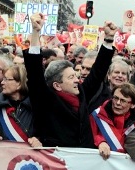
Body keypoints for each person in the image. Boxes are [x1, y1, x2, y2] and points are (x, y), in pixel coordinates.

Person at [23, 12, 117, 147]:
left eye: (75, 76)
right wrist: (35, 32)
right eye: (71, 77)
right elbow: (34, 74)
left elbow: (97, 73)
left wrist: (108, 39)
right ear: (57, 85)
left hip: (82, 159)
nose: (77, 80)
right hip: (56, 161)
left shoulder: (81, 93)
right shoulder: (46, 99)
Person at [0, 65, 42, 147]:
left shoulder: (35, 107)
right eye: (3, 79)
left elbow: (47, 135)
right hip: (3, 157)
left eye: (6, 79)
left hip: (29, 158)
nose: (2, 82)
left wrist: (39, 141)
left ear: (19, 83)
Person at [90, 83, 135, 160]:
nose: (117, 103)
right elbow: (88, 136)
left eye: (123, 100)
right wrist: (101, 142)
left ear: (132, 104)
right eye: (115, 98)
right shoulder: (96, 115)